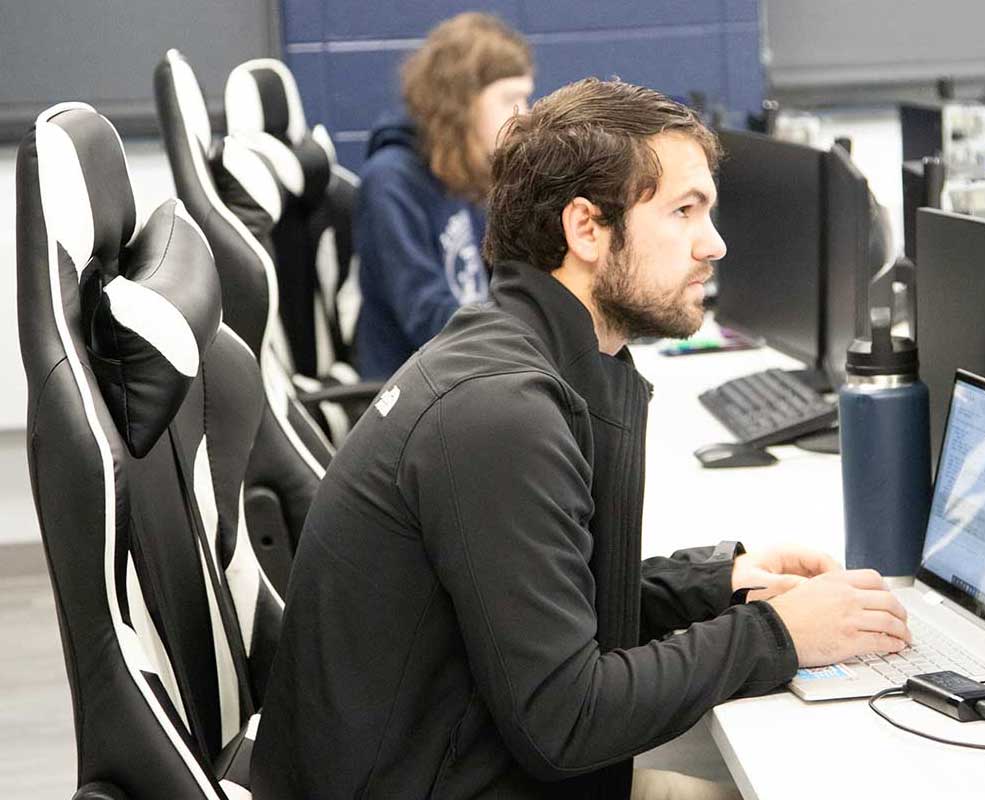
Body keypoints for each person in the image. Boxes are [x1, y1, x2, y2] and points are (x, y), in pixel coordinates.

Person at [251, 78, 911, 800]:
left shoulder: (525, 357)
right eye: (684, 210)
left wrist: (716, 584)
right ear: (586, 229)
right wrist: (778, 635)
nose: (713, 244)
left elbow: (542, 606)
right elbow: (566, 723)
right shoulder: (499, 416)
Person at [354, 12, 534, 380]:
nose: (524, 116)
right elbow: (428, 317)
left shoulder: (461, 174)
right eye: (510, 100)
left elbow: (506, 277)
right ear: (463, 103)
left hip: (467, 371)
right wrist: (521, 349)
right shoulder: (390, 181)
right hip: (415, 394)